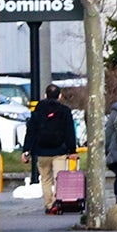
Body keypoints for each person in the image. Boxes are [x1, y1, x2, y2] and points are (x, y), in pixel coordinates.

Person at [22, 83, 78, 215]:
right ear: (60, 96)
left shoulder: (37, 110)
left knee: (46, 179)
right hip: (60, 151)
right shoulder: (65, 111)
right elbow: (69, 132)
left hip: (42, 151)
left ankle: (49, 204)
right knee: (59, 178)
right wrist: (72, 151)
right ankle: (56, 202)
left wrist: (26, 150)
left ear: (45, 96)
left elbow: (31, 131)